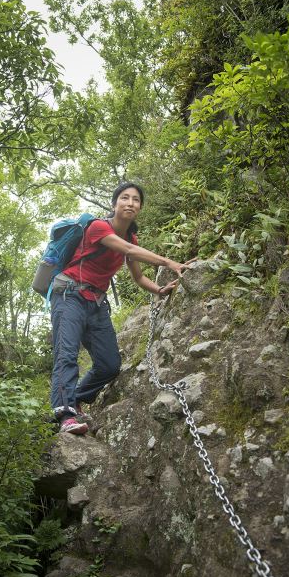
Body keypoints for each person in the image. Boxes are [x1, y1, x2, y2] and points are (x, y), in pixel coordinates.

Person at [50, 182, 194, 435]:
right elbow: (128, 250)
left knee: (109, 365)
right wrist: (170, 262)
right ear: (114, 204)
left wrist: (159, 291)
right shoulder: (98, 227)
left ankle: (78, 399)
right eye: (124, 198)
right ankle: (64, 415)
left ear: (139, 208)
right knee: (66, 354)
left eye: (136, 200)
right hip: (68, 295)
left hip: (95, 302)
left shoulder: (131, 237)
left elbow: (138, 277)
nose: (130, 203)